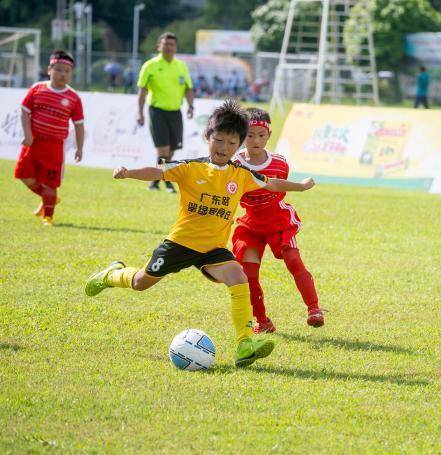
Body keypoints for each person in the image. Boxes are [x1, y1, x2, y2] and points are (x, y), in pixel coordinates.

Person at [84, 99, 316, 367]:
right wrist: (128, 172)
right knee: (140, 283)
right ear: (208, 137)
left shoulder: (240, 174)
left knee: (238, 277)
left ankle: (244, 343)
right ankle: (112, 274)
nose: (224, 148)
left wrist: (300, 186)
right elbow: (157, 171)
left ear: (239, 145)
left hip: (213, 249)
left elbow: (272, 183)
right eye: (218, 140)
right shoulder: (190, 167)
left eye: (231, 143)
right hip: (180, 244)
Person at [231, 107, 323, 334]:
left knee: (293, 260)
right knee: (249, 275)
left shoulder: (279, 163)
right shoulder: (234, 164)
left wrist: (301, 187)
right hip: (250, 225)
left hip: (278, 220)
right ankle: (262, 321)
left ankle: (314, 309)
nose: (255, 140)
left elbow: (277, 184)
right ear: (242, 135)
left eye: (261, 135)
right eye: (250, 135)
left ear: (269, 136)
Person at [14, 50, 84, 226]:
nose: (62, 74)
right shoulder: (37, 89)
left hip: (54, 146)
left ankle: (48, 216)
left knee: (49, 184)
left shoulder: (73, 97)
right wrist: (27, 134)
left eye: (67, 71)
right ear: (49, 69)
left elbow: (79, 124)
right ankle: (50, 199)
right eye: (59, 70)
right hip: (33, 142)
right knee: (24, 175)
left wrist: (79, 147)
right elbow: (24, 111)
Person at [136, 32, 194, 193]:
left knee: (172, 150)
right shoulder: (150, 65)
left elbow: (189, 88)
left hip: (175, 112)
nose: (168, 47)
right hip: (157, 111)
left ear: (175, 47)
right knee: (163, 150)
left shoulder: (181, 66)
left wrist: (191, 106)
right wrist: (139, 113)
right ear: (158, 46)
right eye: (165, 44)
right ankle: (166, 181)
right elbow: (142, 91)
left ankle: (155, 181)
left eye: (171, 45)